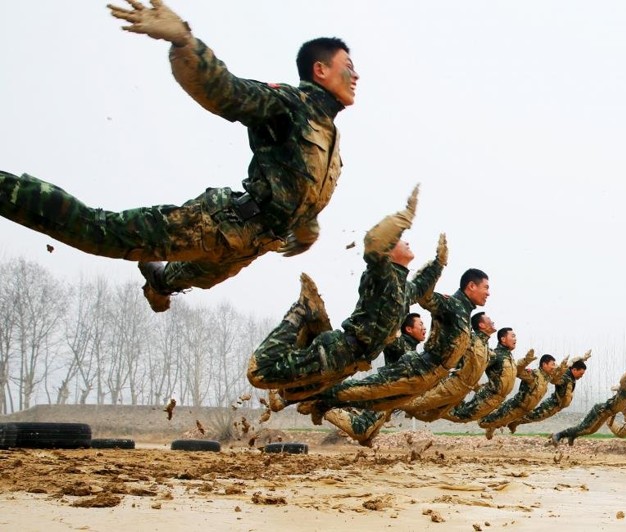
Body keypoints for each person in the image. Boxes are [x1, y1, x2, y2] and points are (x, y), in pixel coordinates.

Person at [0, 0, 359, 312]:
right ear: (321, 69)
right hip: (219, 223)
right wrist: (184, 41)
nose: (355, 74)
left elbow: (300, 188)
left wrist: (307, 227)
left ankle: (157, 280)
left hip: (247, 245)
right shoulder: (289, 104)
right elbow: (226, 90)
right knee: (101, 232)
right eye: (348, 64)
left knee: (190, 278)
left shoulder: (328, 133)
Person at [246, 187, 447, 398]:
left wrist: (439, 263)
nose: (406, 242)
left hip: (350, 362)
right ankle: (303, 310)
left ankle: (313, 321)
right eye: (400, 240)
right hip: (338, 352)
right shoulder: (381, 275)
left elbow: (421, 285)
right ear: (388, 252)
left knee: (293, 393)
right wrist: (404, 217)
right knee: (259, 372)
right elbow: (374, 243)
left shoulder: (404, 288)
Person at [304, 268, 491, 416]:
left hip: (429, 377)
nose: (488, 293)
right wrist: (436, 266)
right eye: (486, 287)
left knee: (375, 403)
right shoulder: (452, 305)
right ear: (471, 286)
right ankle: (299, 393)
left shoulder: (465, 313)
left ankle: (320, 403)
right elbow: (425, 297)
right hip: (418, 369)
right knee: (360, 390)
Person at [401, 312, 495, 422]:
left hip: (462, 390)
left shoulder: (485, 345)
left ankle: (404, 408)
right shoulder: (470, 339)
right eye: (488, 319)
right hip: (453, 385)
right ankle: (388, 406)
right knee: (417, 404)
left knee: (432, 416)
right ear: (482, 325)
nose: (492, 321)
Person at [479, 353, 569, 440]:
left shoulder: (547, 377)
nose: (554, 367)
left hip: (525, 411)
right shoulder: (533, 375)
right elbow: (518, 371)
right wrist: (525, 361)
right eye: (552, 364)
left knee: (508, 421)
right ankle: (483, 417)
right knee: (484, 422)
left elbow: (556, 378)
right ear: (544, 364)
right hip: (514, 407)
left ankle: (497, 426)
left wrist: (562, 367)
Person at [550, 368, 626, 447]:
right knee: (584, 428)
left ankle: (572, 435)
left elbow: (621, 407)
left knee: (591, 431)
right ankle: (558, 435)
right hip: (601, 410)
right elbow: (623, 380)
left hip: (607, 413)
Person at [442, 327, 520, 423]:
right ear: (503, 339)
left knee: (478, 417)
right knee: (460, 416)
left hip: (497, 398)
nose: (515, 339)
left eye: (515, 336)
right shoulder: (495, 355)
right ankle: (435, 407)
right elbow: (478, 366)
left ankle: (440, 406)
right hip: (488, 397)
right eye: (512, 336)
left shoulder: (508, 356)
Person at [507, 352, 590, 433]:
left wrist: (583, 358)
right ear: (574, 370)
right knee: (535, 416)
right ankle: (512, 421)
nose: (581, 376)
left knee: (535, 416)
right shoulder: (565, 377)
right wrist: (555, 378)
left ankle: (513, 422)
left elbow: (570, 364)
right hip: (552, 404)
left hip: (557, 406)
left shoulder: (570, 374)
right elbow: (556, 379)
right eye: (581, 373)